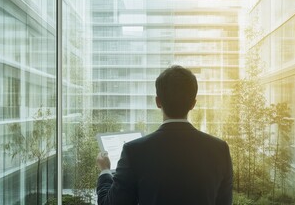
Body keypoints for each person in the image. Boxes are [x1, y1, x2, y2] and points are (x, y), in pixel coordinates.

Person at [96, 65, 233, 205]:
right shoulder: (220, 149)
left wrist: (105, 171)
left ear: (158, 102)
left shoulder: (134, 151)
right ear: (193, 104)